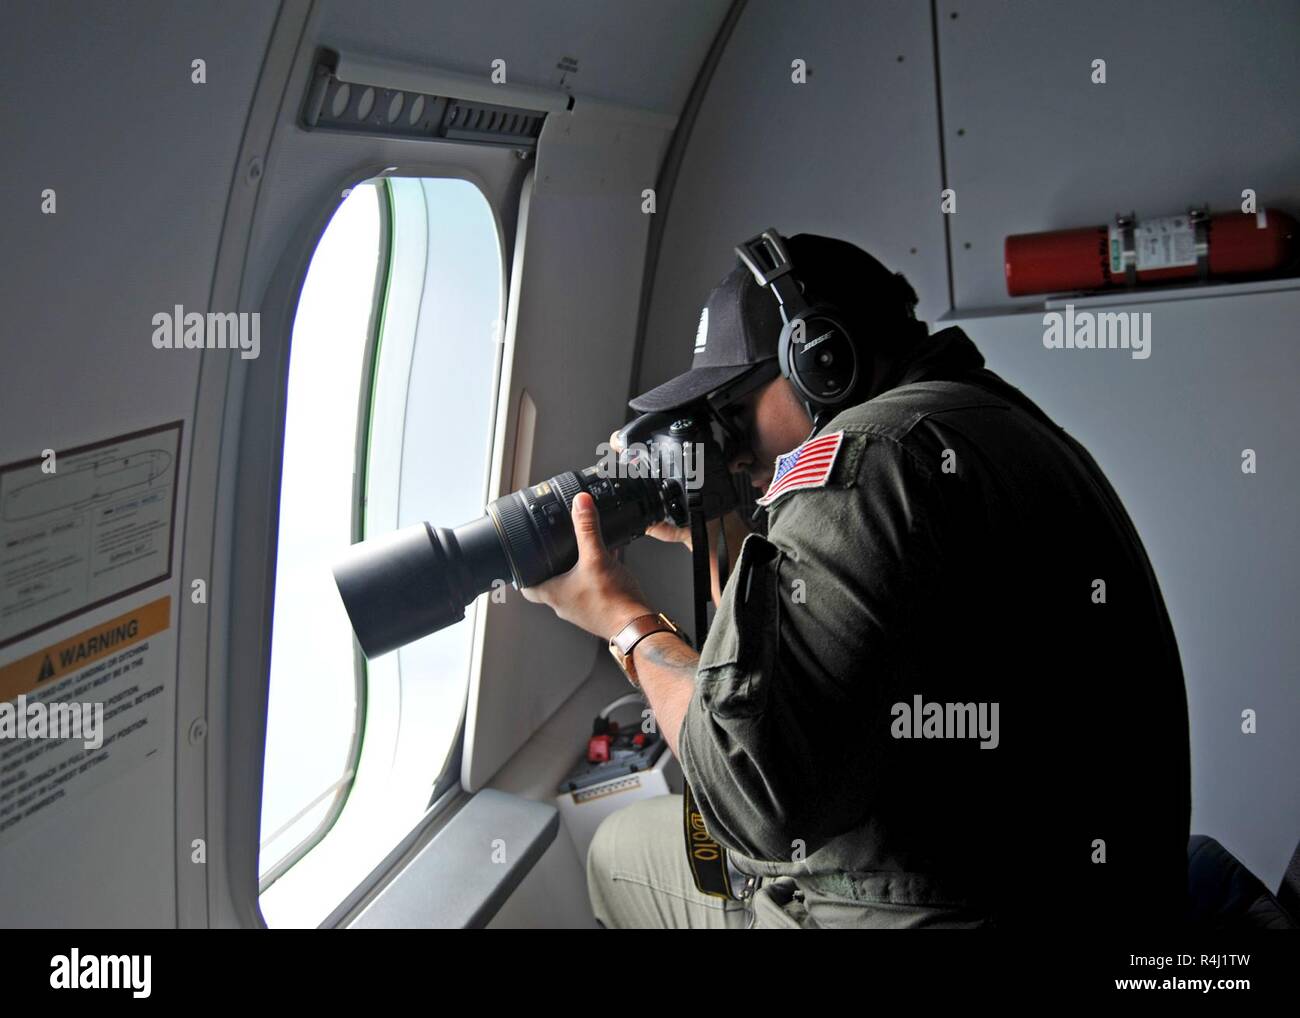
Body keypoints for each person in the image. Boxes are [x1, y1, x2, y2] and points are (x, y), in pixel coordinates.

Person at [522, 231, 1192, 928]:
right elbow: (850, 636)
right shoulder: (981, 420)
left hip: (962, 906)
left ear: (821, 361)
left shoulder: (863, 464)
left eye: (736, 406)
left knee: (617, 852)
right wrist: (719, 541)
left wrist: (622, 620)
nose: (731, 441)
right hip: (1085, 885)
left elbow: (752, 803)